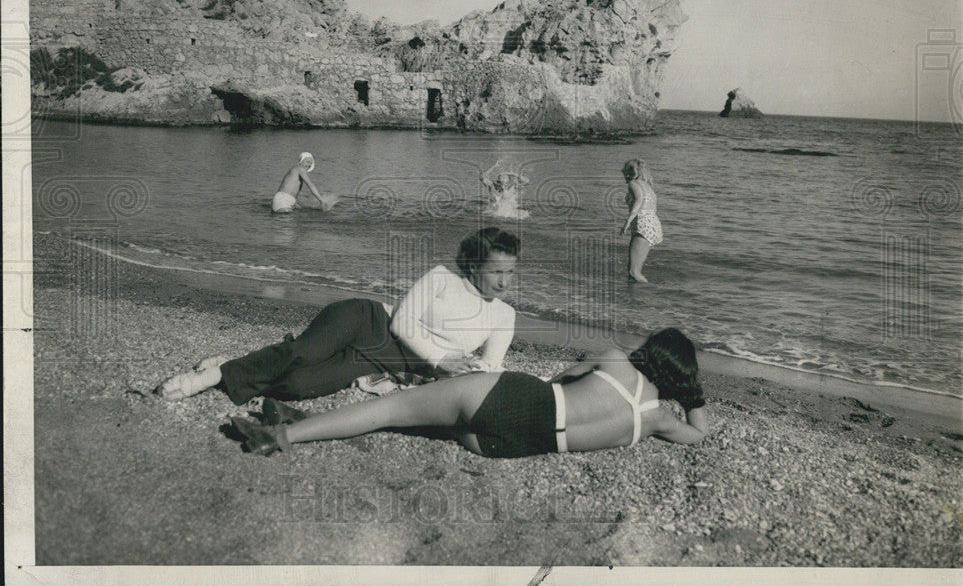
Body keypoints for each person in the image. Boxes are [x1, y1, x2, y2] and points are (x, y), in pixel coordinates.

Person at [156, 228, 520, 403]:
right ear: (473, 266)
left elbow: (492, 367)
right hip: (366, 321)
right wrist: (443, 358)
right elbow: (401, 323)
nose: (504, 281)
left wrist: (468, 372)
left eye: (510, 272)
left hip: (387, 363)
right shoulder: (441, 277)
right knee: (303, 353)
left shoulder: (504, 315)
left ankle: (244, 362)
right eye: (496, 272)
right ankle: (212, 375)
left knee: (297, 387)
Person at [228, 327, 709, 458]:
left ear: (649, 352)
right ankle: (294, 419)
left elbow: (563, 378)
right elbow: (699, 433)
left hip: (518, 400)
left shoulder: (615, 359)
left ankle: (281, 437)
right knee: (406, 418)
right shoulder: (659, 421)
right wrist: (691, 393)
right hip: (506, 446)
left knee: (391, 408)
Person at [619, 158, 663, 283]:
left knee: (634, 273)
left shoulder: (633, 184)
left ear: (632, 171)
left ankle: (654, 295)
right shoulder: (648, 187)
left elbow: (639, 200)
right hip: (652, 225)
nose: (624, 174)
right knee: (633, 271)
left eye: (626, 171)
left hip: (642, 225)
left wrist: (628, 221)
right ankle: (635, 300)